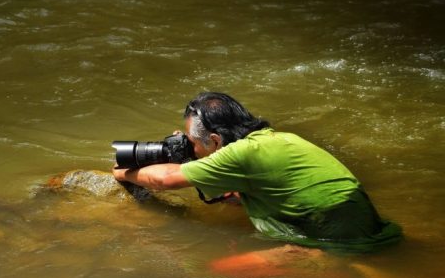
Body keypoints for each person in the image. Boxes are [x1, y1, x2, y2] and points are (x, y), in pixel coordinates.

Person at [112, 92, 402, 252]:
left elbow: (164, 180)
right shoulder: (280, 138)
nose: (190, 149)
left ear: (214, 140)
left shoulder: (237, 154)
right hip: (369, 229)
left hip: (342, 244)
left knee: (216, 268)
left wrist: (122, 174)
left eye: (191, 142)